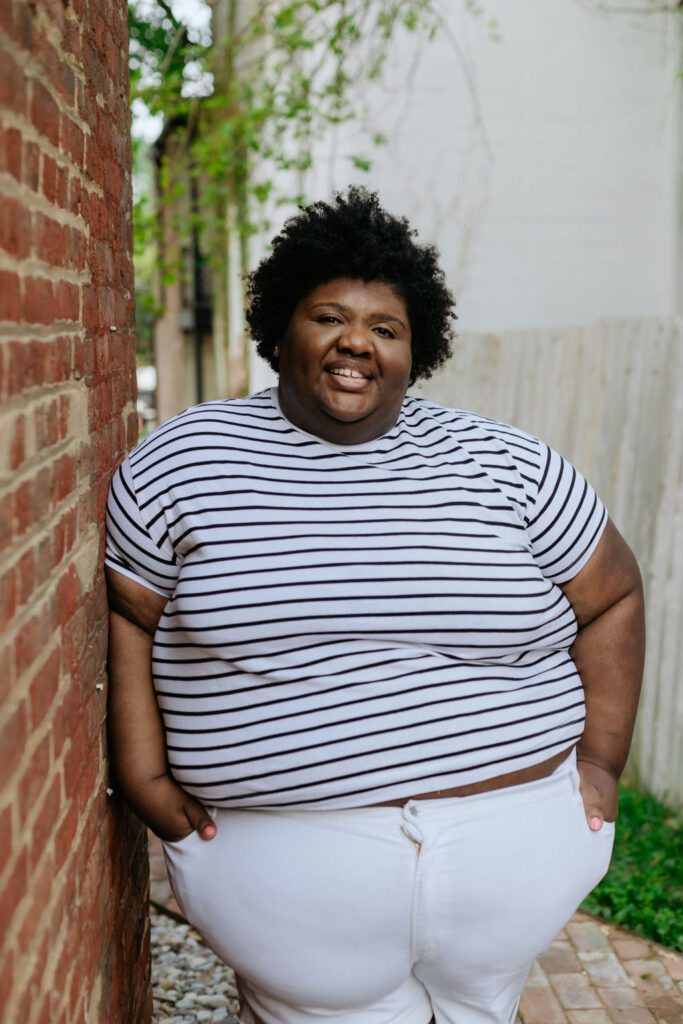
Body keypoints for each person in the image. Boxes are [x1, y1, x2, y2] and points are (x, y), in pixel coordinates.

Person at [105, 188, 645, 1024]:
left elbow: (612, 595)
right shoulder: (187, 460)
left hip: (511, 857)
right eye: (329, 317)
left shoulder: (507, 464)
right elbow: (130, 619)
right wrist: (143, 779)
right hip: (284, 880)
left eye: (385, 328)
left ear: (414, 349)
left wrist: (601, 764)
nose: (356, 342)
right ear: (281, 328)